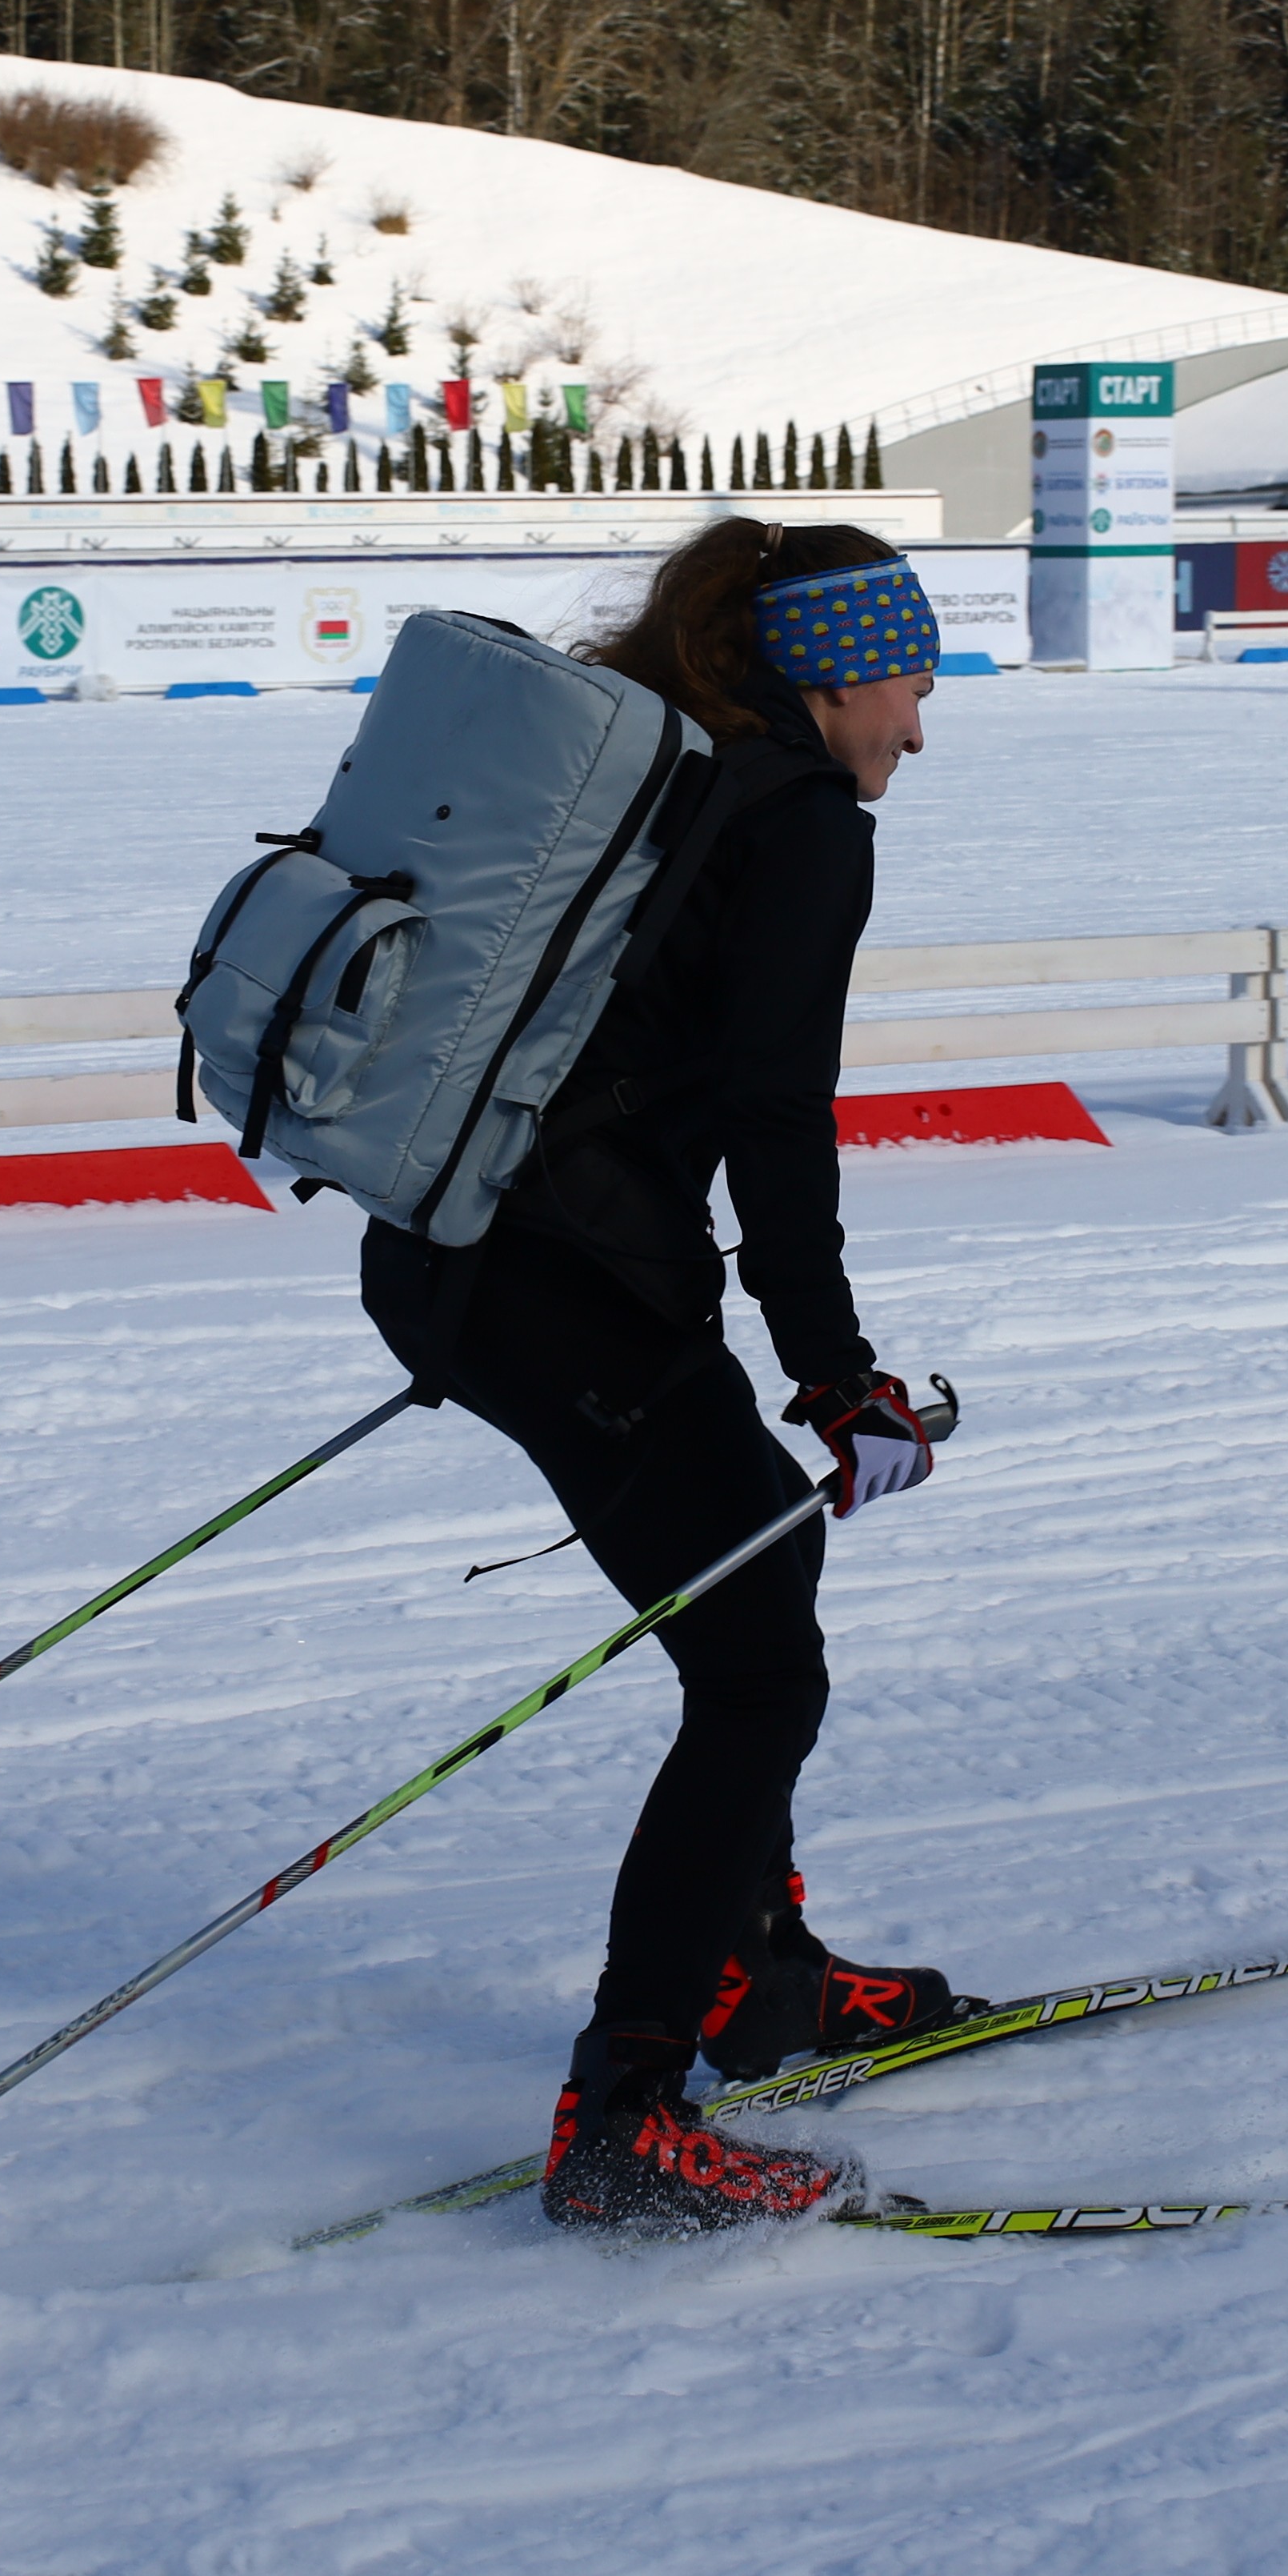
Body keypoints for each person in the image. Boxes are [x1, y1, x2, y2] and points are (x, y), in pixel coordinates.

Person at [360, 517, 970, 2233]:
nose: (918, 729)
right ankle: (625, 2112)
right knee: (759, 1673)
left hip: (459, 1253)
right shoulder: (797, 821)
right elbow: (777, 1120)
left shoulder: (667, 774)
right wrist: (836, 1376)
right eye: (912, 686)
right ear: (838, 673)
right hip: (565, 1286)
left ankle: (760, 1980)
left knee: (762, 1550)